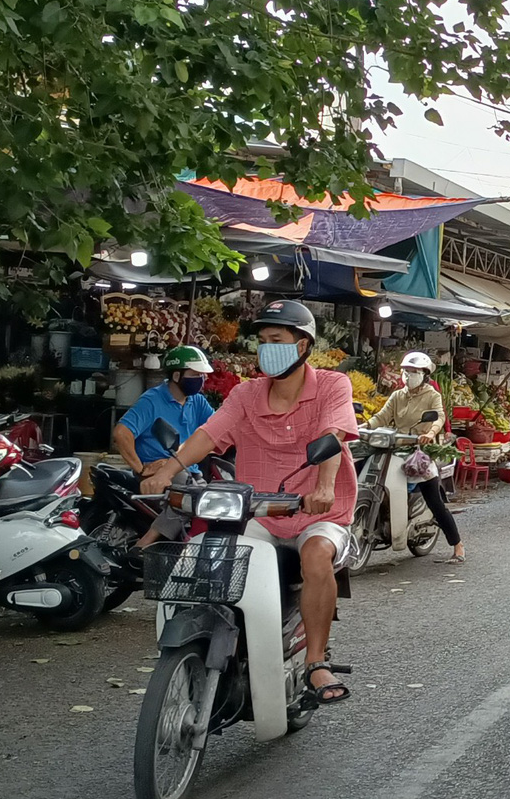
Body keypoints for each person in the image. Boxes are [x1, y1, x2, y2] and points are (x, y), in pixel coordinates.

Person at [142, 300, 356, 704]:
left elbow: (334, 435)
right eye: (261, 341)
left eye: (276, 340)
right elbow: (209, 434)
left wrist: (323, 487)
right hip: (259, 510)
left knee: (316, 555)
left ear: (303, 346)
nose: (265, 349)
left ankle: (315, 661)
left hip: (317, 512)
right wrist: (167, 471)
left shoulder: (332, 385)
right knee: (210, 557)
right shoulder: (246, 393)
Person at [370, 351, 465, 564]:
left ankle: (457, 545)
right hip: (396, 448)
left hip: (420, 452)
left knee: (435, 502)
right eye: (405, 372)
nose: (408, 376)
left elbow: (439, 417)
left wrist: (430, 434)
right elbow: (382, 417)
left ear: (424, 375)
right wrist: (363, 427)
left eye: (413, 372)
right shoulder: (397, 396)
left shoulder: (432, 395)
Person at [113, 344, 215, 472]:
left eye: (203, 375)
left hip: (189, 471)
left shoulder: (197, 401)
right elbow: (121, 433)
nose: (202, 379)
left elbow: (217, 429)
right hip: (162, 475)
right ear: (176, 376)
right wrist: (141, 469)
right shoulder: (152, 401)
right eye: (196, 374)